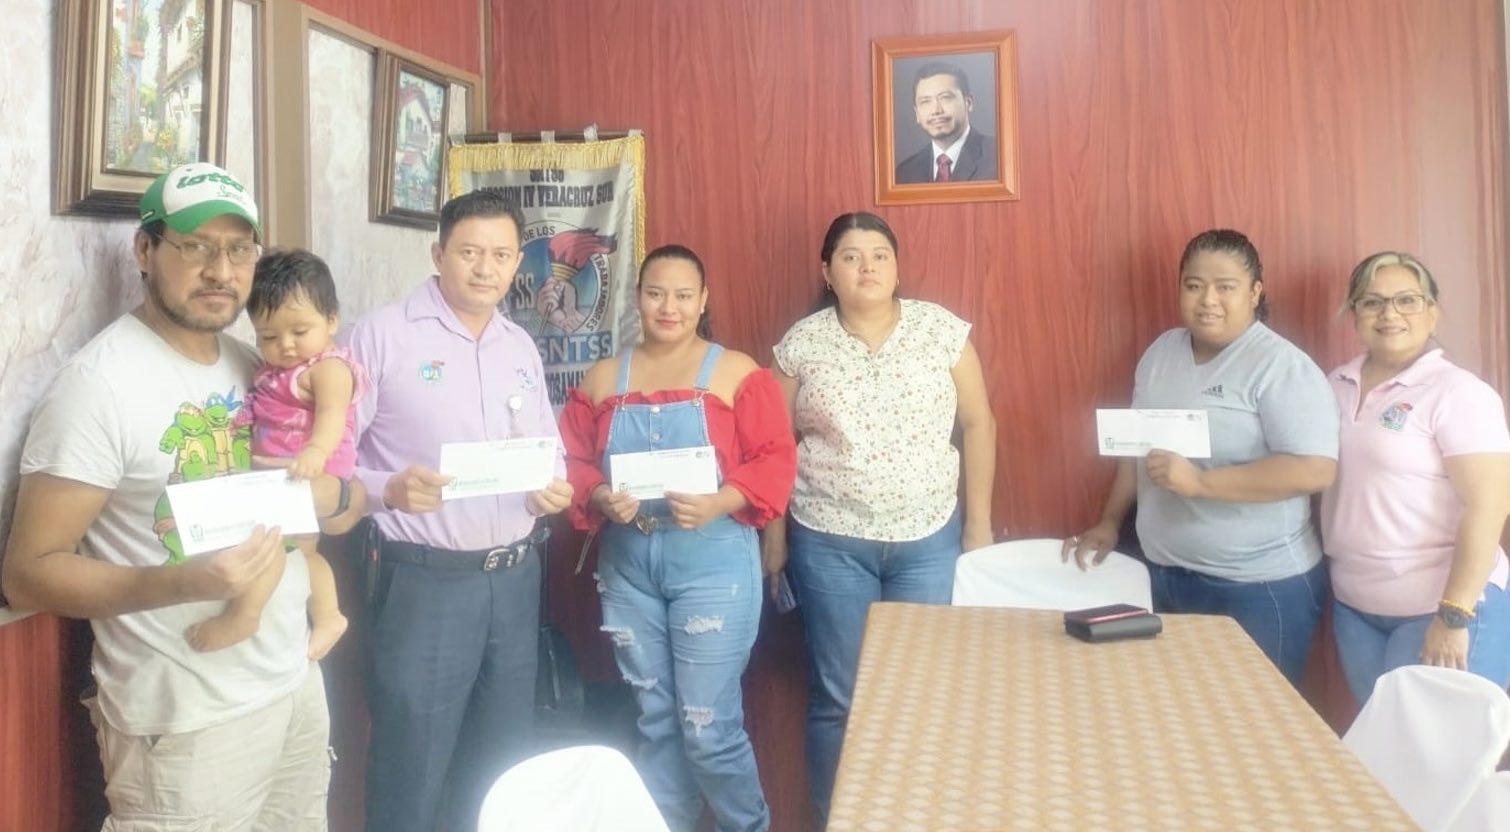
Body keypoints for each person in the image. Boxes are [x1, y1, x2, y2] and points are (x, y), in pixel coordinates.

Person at [2, 162, 365, 829]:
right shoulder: (98, 387)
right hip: (185, 725)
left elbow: (346, 504)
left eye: (239, 250)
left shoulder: (257, 364)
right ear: (146, 250)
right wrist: (182, 582)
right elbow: (28, 574)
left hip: (293, 684)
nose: (221, 271)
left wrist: (337, 496)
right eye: (195, 246)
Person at [345, 187, 574, 832]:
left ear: (518, 262)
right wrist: (387, 488)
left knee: (502, 765)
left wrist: (554, 487)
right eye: (470, 252)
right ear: (438, 253)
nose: (485, 268)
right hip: (425, 584)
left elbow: (549, 451)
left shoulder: (517, 344)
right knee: (411, 768)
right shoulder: (379, 336)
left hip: (515, 579)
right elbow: (328, 463)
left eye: (501, 255)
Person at [764, 211, 996, 820]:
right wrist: (774, 540)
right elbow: (773, 446)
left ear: (896, 268)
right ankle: (838, 819)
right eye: (850, 256)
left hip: (928, 539)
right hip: (830, 543)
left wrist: (978, 527)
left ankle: (915, 818)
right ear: (827, 271)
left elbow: (979, 424)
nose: (866, 267)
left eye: (879, 255)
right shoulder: (801, 345)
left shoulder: (940, 331)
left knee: (921, 693)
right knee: (839, 696)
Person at [559, 244, 797, 832]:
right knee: (657, 722)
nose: (670, 307)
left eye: (684, 295)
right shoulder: (602, 378)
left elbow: (775, 459)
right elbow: (572, 462)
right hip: (628, 565)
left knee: (707, 727)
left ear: (703, 300)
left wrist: (721, 500)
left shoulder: (737, 372)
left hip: (713, 563)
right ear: (638, 297)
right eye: (656, 293)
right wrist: (599, 495)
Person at [1064, 229, 1338, 689]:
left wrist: (1200, 484)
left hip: (1258, 588)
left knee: (1253, 719)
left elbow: (1315, 469)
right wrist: (1110, 521)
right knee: (1179, 712)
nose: (1208, 300)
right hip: (1164, 578)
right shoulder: (1161, 353)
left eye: (1225, 287)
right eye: (1194, 285)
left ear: (1255, 292)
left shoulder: (1282, 367)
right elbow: (1138, 448)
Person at [1321, 252, 1510, 702]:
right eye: (1372, 302)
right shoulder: (1334, 384)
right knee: (1385, 742)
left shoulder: (1459, 393)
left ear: (1433, 312)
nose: (1389, 313)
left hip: (1444, 610)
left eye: (1407, 300)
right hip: (1356, 610)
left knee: (1438, 744)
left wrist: (1454, 614)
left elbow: (1490, 505)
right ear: (1354, 314)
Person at [180, 249, 362, 659]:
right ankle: (330, 615)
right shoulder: (277, 371)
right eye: (269, 337)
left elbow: (333, 415)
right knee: (304, 551)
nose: (286, 345)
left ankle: (245, 615)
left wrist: (315, 452)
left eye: (300, 331)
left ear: (332, 320)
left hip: (308, 470)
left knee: (269, 544)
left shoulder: (329, 368)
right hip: (285, 472)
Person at [894, 61, 999, 184]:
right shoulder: (905, 173)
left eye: (945, 98)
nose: (936, 110)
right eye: (925, 101)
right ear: (917, 113)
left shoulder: (999, 157)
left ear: (968, 102)